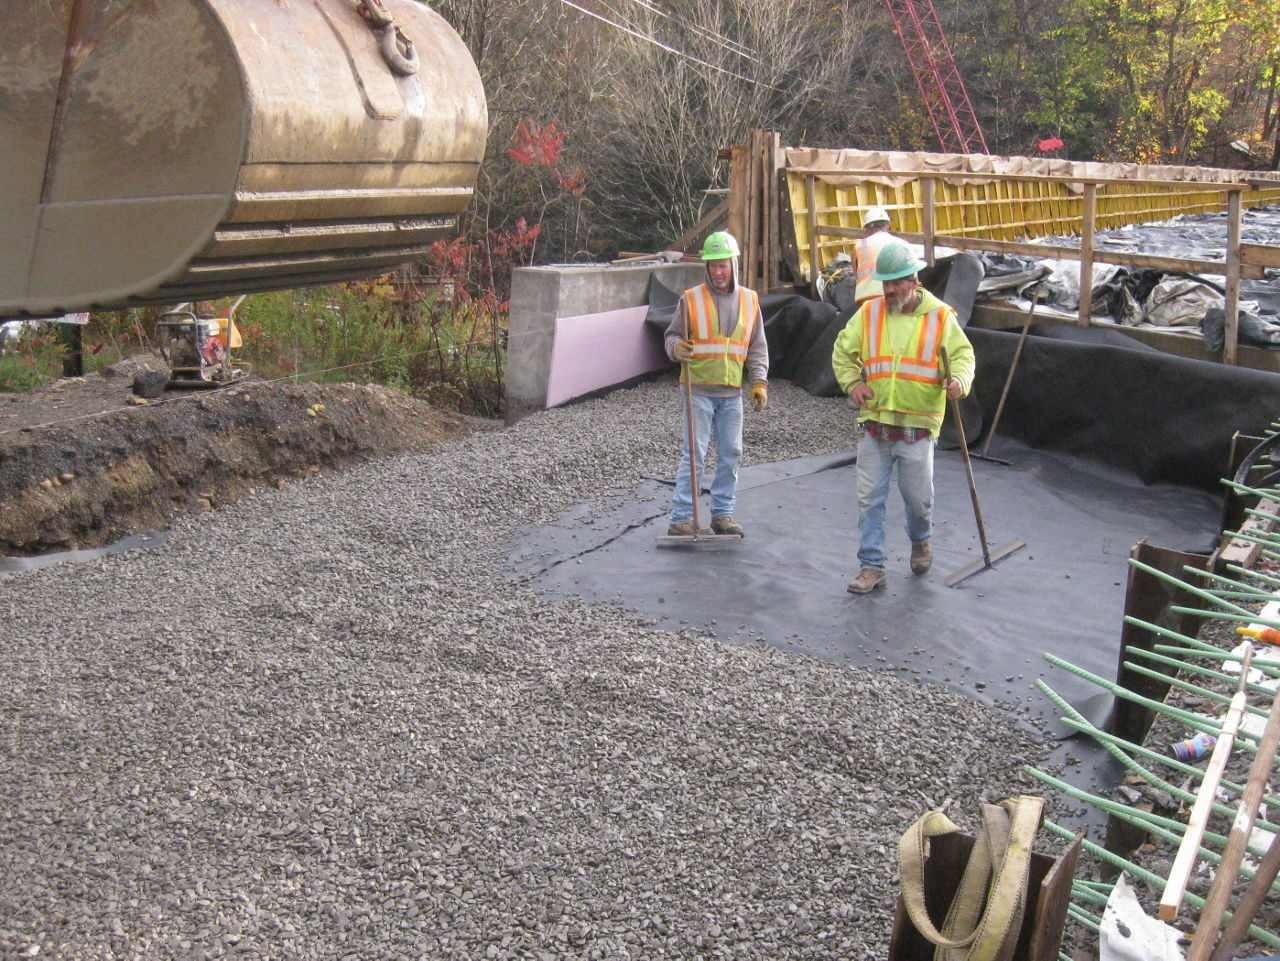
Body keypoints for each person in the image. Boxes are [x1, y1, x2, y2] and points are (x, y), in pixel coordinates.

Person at [831, 241, 975, 593]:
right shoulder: (870, 314)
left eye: (896, 282)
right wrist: (853, 384)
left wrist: (959, 381)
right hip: (876, 424)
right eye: (886, 283)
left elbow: (963, 356)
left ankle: (920, 540)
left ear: (914, 280)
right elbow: (841, 350)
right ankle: (871, 566)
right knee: (869, 500)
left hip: (918, 426)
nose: (890, 289)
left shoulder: (940, 317)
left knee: (917, 500)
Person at [665, 231, 769, 537]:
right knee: (694, 454)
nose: (717, 272)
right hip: (696, 389)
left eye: (722, 265)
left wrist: (759, 382)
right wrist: (676, 348)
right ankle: (681, 517)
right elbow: (671, 336)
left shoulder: (750, 301)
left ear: (733, 264)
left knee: (732, 453)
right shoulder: (690, 299)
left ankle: (722, 514)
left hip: (731, 392)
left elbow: (757, 346)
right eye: (712, 266)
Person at [852, 206, 897, 308]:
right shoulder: (901, 243)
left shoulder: (859, 246)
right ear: (887, 226)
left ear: (867, 229)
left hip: (866, 299)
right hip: (895, 297)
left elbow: (856, 274)